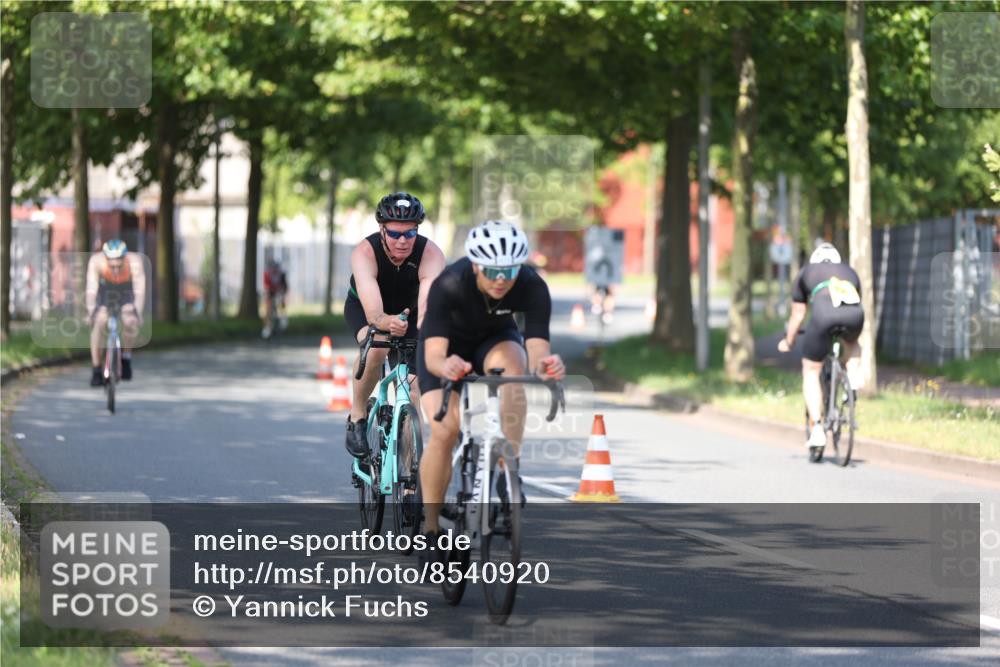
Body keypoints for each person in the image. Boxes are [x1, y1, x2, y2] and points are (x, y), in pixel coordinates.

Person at [418, 220, 565, 551]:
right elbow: (433, 356)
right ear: (474, 264)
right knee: (445, 430)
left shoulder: (531, 285)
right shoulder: (450, 283)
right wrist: (447, 365)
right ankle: (430, 530)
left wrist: (545, 364)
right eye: (492, 271)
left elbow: (538, 346)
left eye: (510, 271)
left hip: (494, 338)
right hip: (446, 347)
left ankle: (506, 472)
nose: (502, 279)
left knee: (516, 369)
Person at [343, 192, 445, 460]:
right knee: (377, 346)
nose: (402, 241)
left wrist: (426, 333)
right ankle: (357, 416)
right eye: (395, 234)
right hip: (367, 309)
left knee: (413, 389)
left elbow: (428, 307)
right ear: (381, 229)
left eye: (410, 234)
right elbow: (375, 314)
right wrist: (387, 323)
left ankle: (411, 482)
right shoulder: (365, 252)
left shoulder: (430, 254)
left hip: (411, 315)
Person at [777, 242, 865, 452]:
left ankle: (817, 428)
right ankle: (852, 377)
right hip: (854, 315)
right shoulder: (850, 272)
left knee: (811, 369)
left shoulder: (806, 272)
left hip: (824, 313)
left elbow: (798, 314)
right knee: (853, 344)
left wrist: (789, 341)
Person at [86, 239, 145, 386]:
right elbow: (91, 290)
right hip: (105, 290)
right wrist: (91, 310)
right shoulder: (96, 261)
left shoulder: (135, 262)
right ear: (106, 260)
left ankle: (126, 358)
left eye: (119, 266)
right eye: (112, 267)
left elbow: (140, 290)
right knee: (99, 322)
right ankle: (96, 369)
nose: (116, 270)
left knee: (129, 319)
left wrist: (138, 311)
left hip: (126, 290)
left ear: (125, 259)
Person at [262, 259, 288, 338]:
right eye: (272, 269)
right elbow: (266, 286)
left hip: (279, 292)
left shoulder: (282, 274)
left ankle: (283, 318)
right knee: (268, 307)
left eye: (275, 268)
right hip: (271, 292)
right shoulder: (267, 274)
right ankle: (267, 327)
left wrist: (281, 292)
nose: (274, 270)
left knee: (282, 301)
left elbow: (285, 286)